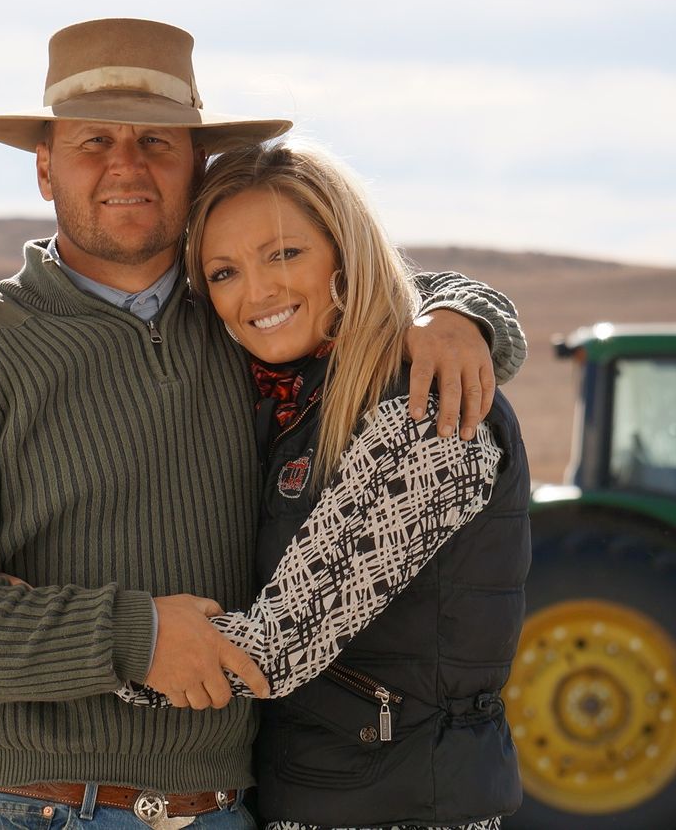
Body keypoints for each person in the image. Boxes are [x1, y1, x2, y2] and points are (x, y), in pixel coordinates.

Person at [0, 18, 526, 830]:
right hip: (31, 808)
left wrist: (459, 312)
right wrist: (130, 636)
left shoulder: (240, 328)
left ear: (197, 163)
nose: (126, 165)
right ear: (44, 167)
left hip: (225, 809)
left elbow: (350, 287)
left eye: (156, 141)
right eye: (93, 141)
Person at [118, 142, 529, 830]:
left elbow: (281, 645)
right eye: (224, 272)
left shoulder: (428, 407)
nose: (257, 292)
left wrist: (83, 639)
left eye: (284, 254)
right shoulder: (286, 402)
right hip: (318, 794)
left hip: (401, 809)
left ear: (346, 251)